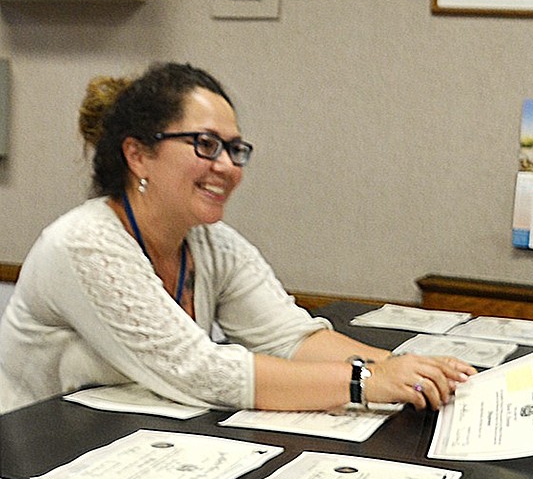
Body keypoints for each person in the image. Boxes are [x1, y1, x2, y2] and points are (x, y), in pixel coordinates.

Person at [0, 62, 475, 414]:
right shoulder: (84, 244)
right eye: (205, 145)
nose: (226, 166)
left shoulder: (211, 242)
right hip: (35, 463)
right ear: (138, 155)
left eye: (234, 149)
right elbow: (199, 372)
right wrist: (364, 380)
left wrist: (408, 369)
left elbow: (289, 338)